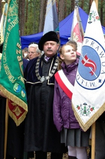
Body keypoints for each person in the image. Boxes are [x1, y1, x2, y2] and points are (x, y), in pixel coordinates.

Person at [24, 31, 66, 159]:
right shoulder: (32, 63)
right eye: (47, 44)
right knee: (38, 138)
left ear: (57, 47)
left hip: (54, 108)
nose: (49, 46)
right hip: (35, 108)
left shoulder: (62, 64)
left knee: (55, 140)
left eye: (52, 44)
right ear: (42, 47)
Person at [0, 44, 25, 159]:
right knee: (1, 139)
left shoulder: (24, 65)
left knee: (18, 140)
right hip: (1, 108)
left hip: (20, 108)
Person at [53, 43, 89, 159]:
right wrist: (58, 119)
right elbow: (56, 99)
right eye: (68, 51)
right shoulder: (60, 75)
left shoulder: (83, 71)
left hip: (80, 118)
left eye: (73, 50)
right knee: (71, 148)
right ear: (62, 56)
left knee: (80, 147)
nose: (72, 52)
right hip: (66, 119)